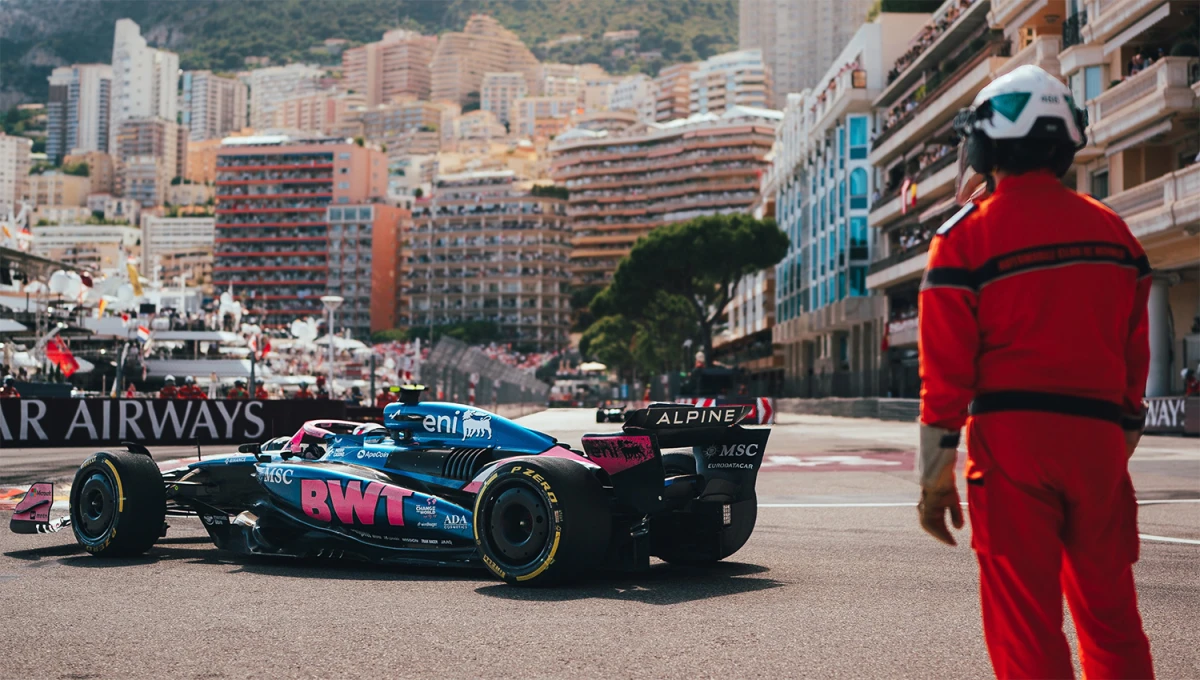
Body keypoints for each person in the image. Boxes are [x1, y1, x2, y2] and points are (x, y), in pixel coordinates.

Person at [919, 65, 1154, 678]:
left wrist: (934, 479)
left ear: (983, 146)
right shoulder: (1115, 233)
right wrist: (1116, 447)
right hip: (1099, 445)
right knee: (1112, 619)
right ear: (1065, 144)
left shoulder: (963, 239)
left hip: (1012, 446)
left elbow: (945, 379)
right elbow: (1135, 360)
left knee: (1025, 626)